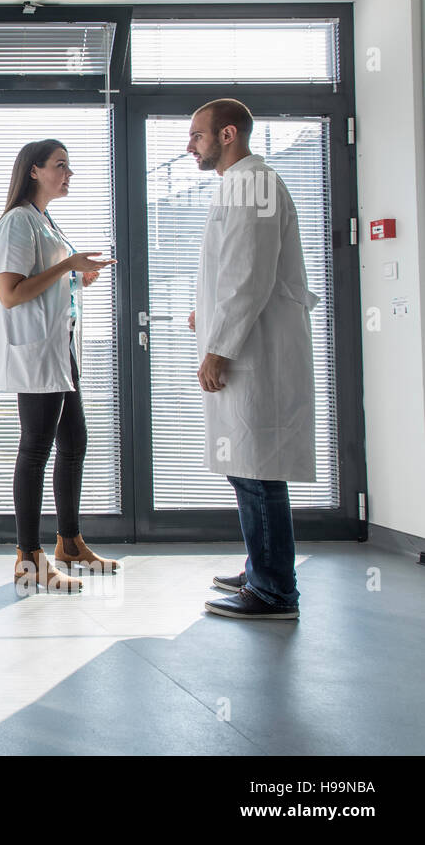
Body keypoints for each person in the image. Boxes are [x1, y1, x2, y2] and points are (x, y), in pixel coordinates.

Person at [188, 98, 317, 621]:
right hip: (247, 344)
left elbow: (250, 276)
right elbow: (234, 271)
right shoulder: (239, 183)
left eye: (197, 134)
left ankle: (274, 590)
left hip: (253, 353)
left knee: (257, 470)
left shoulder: (253, 184)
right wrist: (208, 313)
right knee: (247, 467)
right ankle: (263, 566)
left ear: (228, 134)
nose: (190, 144)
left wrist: (220, 348)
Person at [0, 140, 118, 594]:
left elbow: (49, 280)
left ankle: (69, 542)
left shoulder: (44, 221)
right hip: (38, 353)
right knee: (37, 448)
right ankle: (28, 557)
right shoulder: (18, 221)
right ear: (34, 171)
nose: (69, 173)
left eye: (69, 165)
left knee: (74, 443)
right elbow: (12, 293)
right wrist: (68, 266)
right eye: (61, 165)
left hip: (60, 351)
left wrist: (77, 274)